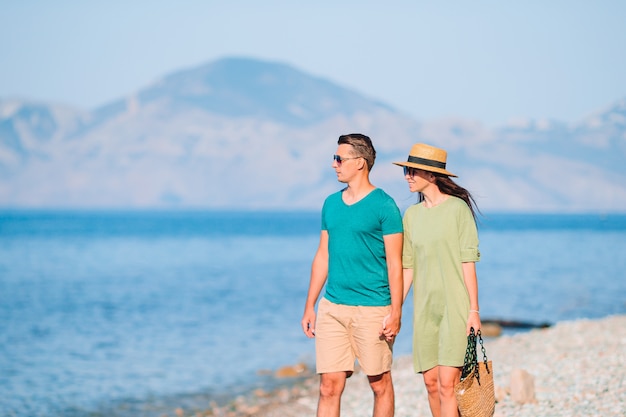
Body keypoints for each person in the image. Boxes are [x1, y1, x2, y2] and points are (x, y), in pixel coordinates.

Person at [301, 133, 404, 417]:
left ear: (359, 163)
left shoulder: (385, 205)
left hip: (373, 308)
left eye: (339, 159)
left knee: (379, 383)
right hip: (333, 306)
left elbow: (396, 263)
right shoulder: (330, 204)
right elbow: (323, 255)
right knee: (328, 387)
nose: (334, 164)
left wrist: (396, 311)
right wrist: (310, 304)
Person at [393, 143, 481, 417]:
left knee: (447, 384)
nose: (407, 176)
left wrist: (474, 311)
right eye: (406, 170)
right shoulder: (411, 215)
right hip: (425, 310)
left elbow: (468, 262)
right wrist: (394, 310)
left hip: (455, 307)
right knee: (431, 383)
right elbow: (408, 267)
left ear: (431, 175)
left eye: (412, 171)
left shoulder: (457, 209)